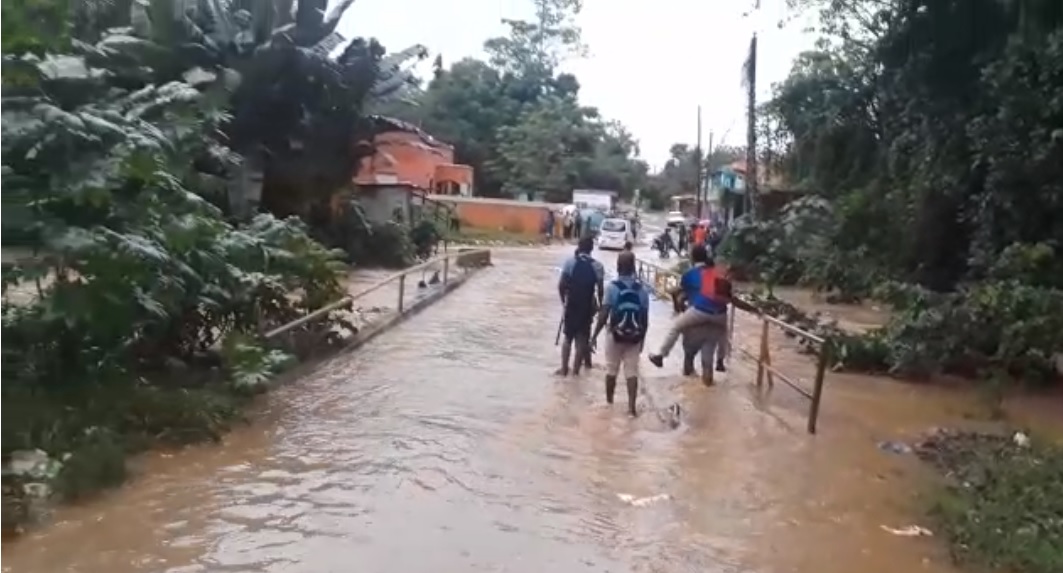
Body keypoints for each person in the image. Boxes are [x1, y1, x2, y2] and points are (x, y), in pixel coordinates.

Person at [648, 245, 753, 369]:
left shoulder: (689, 275)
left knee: (675, 327)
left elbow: (679, 294)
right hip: (719, 315)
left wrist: (678, 309)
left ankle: (661, 355)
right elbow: (731, 299)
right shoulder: (717, 275)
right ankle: (720, 362)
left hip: (699, 312)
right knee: (723, 333)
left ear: (692, 258)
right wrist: (754, 309)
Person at [591, 251, 650, 416]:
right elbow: (645, 319)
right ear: (633, 267)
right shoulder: (642, 290)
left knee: (611, 370)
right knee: (632, 371)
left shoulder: (612, 287)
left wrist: (594, 335)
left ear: (618, 267)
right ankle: (631, 409)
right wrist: (642, 338)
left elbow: (604, 314)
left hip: (614, 335)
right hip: (635, 337)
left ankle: (609, 404)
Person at [558, 237, 604, 376]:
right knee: (582, 339)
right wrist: (601, 306)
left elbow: (561, 285)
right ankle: (576, 372)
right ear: (591, 249)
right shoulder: (598, 266)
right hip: (587, 306)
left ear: (579, 247)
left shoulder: (569, 263)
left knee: (567, 337)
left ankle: (564, 369)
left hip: (571, 303)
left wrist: (563, 301)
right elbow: (600, 290)